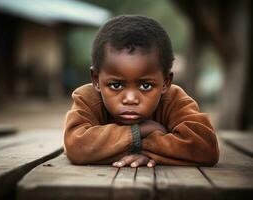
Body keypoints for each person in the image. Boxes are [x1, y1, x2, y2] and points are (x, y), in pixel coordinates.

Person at [64, 15, 219, 168]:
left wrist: (135, 147)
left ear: (166, 82)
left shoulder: (174, 99)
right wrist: (142, 131)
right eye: (116, 86)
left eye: (145, 86)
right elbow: (76, 145)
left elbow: (205, 147)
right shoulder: (87, 98)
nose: (130, 99)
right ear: (96, 80)